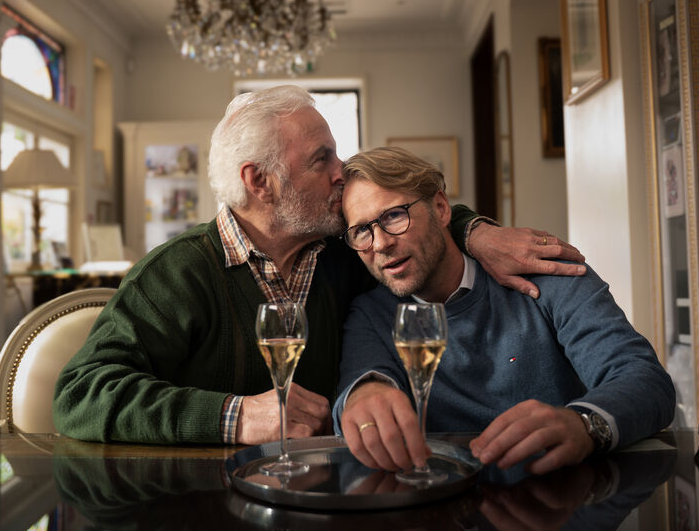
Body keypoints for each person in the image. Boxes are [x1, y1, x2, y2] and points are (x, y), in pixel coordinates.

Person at [53, 86, 587, 445]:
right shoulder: (178, 273)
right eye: (322, 159)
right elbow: (80, 394)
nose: (343, 172)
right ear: (259, 181)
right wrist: (234, 417)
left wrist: (475, 231)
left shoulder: (347, 250)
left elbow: (414, 215)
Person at [333, 147, 675, 474]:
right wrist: (364, 396)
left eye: (394, 216)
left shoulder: (544, 273)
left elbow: (645, 381)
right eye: (362, 230)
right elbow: (364, 383)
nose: (380, 243)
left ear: (440, 208)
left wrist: (583, 424)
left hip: (563, 498)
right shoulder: (370, 315)